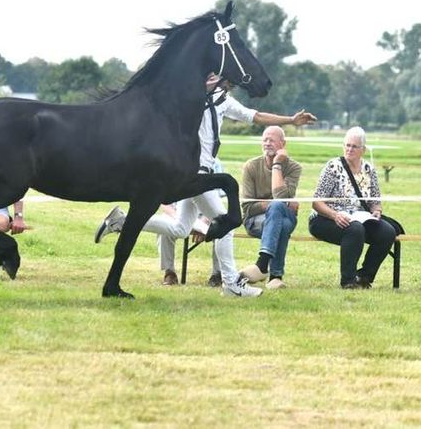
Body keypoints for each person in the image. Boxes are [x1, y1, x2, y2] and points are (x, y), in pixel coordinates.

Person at [96, 73, 317, 297]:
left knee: (180, 229)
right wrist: (206, 84)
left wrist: (291, 120)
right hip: (195, 173)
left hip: (200, 173)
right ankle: (231, 284)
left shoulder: (223, 99)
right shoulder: (192, 95)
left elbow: (256, 116)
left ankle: (121, 221)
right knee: (226, 224)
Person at [308, 126, 397, 289]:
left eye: (354, 146)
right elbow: (317, 202)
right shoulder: (333, 167)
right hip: (325, 218)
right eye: (347, 145)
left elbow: (375, 200)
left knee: (388, 232)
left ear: (363, 150)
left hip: (360, 217)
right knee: (355, 229)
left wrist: (376, 211)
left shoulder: (369, 169)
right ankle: (348, 281)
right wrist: (335, 215)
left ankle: (364, 277)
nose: (349, 149)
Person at [239, 126, 302, 290]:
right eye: (265, 140)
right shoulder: (251, 166)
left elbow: (280, 195)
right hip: (255, 220)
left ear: (283, 144)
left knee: (278, 208)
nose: (267, 143)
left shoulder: (294, 168)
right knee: (282, 224)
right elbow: (247, 207)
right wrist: (280, 203)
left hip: (283, 216)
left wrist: (277, 165)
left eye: (272, 140)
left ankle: (262, 264)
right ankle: (275, 276)